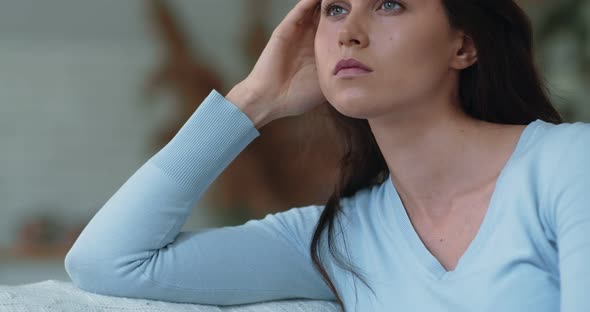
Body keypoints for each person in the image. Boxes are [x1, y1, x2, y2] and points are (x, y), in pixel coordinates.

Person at [64, 0, 590, 311]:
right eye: (335, 8)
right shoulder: (339, 240)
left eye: (388, 3)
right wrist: (253, 100)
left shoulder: (568, 164)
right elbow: (107, 261)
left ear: (463, 46)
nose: (350, 33)